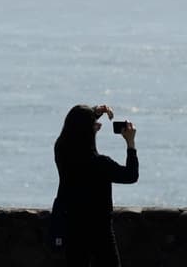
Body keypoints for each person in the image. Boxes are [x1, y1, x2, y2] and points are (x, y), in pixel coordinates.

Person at [53, 104, 139, 267]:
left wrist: (95, 112)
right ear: (88, 131)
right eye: (95, 125)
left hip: (72, 226)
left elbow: (74, 126)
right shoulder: (100, 164)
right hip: (100, 231)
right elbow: (130, 175)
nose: (98, 126)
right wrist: (130, 143)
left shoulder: (62, 151)